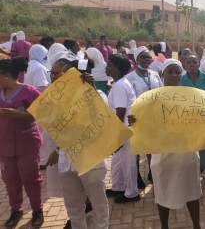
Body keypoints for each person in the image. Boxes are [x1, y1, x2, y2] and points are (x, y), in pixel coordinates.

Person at [128, 59, 203, 229]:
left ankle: (197, 226)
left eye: (177, 71)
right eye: (170, 71)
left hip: (187, 153)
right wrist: (135, 121)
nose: (174, 75)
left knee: (192, 191)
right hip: (162, 154)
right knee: (162, 192)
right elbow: (144, 123)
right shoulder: (151, 99)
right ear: (162, 74)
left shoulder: (191, 96)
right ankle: (164, 226)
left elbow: (199, 120)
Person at [46, 58, 109, 229]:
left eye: (58, 73)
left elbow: (103, 120)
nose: (54, 77)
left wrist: (92, 90)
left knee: (98, 205)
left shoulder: (98, 95)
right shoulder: (56, 99)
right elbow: (63, 129)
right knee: (74, 208)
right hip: (67, 163)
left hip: (90, 160)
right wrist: (58, 150)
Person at [0, 57, 44, 228]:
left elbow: (40, 114)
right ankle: (16, 210)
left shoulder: (29, 92)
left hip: (27, 143)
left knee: (31, 178)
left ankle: (37, 210)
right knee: (10, 179)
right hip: (4, 145)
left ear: (6, 76)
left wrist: (15, 114)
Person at [179, 54, 205, 197]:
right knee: (189, 154)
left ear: (199, 64)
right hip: (188, 124)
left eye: (194, 62)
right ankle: (190, 184)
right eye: (188, 62)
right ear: (184, 65)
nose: (191, 64)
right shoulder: (181, 80)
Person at [105, 54, 140, 203]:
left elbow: (120, 111)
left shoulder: (120, 85)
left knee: (128, 162)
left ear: (117, 69)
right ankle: (118, 186)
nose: (106, 67)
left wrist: (117, 135)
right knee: (118, 160)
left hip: (125, 128)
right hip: (123, 127)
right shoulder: (119, 83)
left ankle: (132, 193)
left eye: (109, 65)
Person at [126, 46, 163, 185]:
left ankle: (152, 172)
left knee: (151, 146)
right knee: (136, 147)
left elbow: (160, 94)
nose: (147, 59)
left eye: (148, 57)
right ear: (136, 60)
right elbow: (129, 98)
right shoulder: (130, 77)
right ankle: (137, 177)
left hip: (153, 116)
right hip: (137, 117)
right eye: (143, 57)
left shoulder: (155, 74)